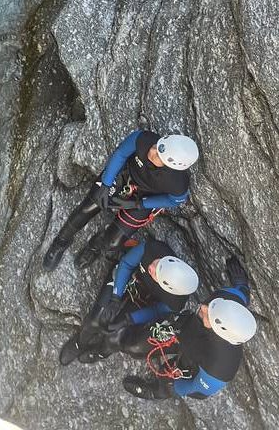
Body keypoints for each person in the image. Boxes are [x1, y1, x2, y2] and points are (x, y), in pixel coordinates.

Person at [41, 130, 198, 272]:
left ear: (171, 166)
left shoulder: (177, 183)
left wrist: (140, 204)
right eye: (157, 146)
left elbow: (173, 201)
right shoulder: (144, 139)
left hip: (146, 197)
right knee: (88, 208)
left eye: (158, 156)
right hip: (125, 175)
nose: (153, 151)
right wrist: (106, 184)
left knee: (113, 242)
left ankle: (95, 246)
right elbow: (121, 154)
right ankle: (60, 242)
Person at [120, 256, 257, 401]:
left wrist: (175, 386)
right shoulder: (226, 299)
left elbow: (196, 391)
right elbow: (242, 294)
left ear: (220, 331)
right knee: (133, 346)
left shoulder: (220, 370)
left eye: (207, 314)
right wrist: (241, 283)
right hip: (184, 331)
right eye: (211, 306)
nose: (203, 307)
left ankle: (157, 392)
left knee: (168, 379)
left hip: (194, 360)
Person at [59, 236, 199, 366]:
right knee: (95, 320)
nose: (152, 266)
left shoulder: (175, 302)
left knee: (115, 339)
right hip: (129, 279)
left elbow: (156, 310)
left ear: (167, 287)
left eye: (156, 273)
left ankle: (102, 352)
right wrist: (115, 297)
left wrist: (129, 320)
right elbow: (126, 264)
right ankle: (80, 342)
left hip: (145, 299)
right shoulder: (154, 249)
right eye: (158, 263)